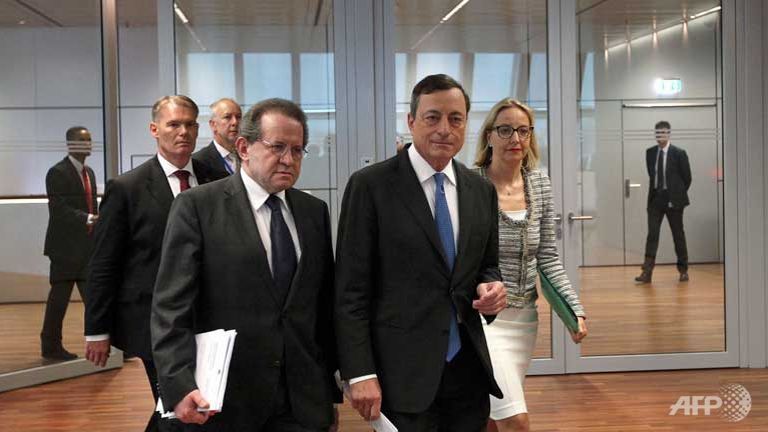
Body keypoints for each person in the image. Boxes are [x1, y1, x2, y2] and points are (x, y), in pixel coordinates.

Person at [151, 98, 340, 431]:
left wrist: (330, 389)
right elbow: (171, 307)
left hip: (302, 401)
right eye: (277, 147)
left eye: (297, 150)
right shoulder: (197, 207)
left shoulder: (314, 212)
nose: (288, 159)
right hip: (227, 401)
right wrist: (178, 384)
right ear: (243, 147)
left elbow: (322, 306)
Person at [335, 74, 508, 432]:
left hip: (468, 371)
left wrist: (491, 288)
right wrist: (360, 372)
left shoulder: (480, 190)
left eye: (456, 119)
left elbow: (487, 265)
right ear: (411, 121)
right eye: (433, 117)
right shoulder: (371, 187)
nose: (445, 129)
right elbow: (350, 290)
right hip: (401, 375)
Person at [84, 95, 214, 432]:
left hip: (209, 318)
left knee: (187, 407)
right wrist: (97, 329)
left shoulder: (215, 180)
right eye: (174, 124)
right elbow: (103, 263)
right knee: (177, 405)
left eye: (190, 124)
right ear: (155, 129)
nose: (183, 132)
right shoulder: (127, 188)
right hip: (154, 322)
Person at [473, 98, 588, 432]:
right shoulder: (470, 184)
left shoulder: (539, 183)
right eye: (505, 130)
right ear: (489, 136)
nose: (516, 139)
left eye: (523, 131)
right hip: (482, 320)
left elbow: (547, 256)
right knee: (515, 420)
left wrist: (573, 309)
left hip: (524, 321)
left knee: (492, 419)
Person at [41, 126, 98, 361]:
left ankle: (110, 343)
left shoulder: (89, 173)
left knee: (94, 299)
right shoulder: (57, 172)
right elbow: (58, 209)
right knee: (59, 300)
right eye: (82, 140)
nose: (88, 144)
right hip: (64, 249)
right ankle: (50, 347)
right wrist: (88, 218)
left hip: (86, 248)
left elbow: (91, 206)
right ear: (70, 144)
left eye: (89, 140)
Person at [635, 120, 692, 283]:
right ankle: (647, 273)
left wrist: (675, 196)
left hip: (674, 201)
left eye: (663, 133)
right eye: (657, 133)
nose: (660, 136)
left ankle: (683, 270)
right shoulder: (650, 153)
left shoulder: (679, 153)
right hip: (655, 200)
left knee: (678, 235)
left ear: (668, 134)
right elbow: (652, 175)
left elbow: (687, 178)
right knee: (652, 235)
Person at [192, 98, 242, 180]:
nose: (235, 122)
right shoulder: (198, 161)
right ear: (213, 125)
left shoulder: (249, 156)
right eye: (227, 117)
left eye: (238, 117)